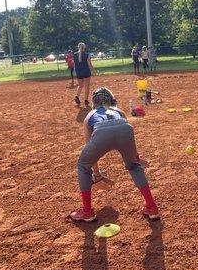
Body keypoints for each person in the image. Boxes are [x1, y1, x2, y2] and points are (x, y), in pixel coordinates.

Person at [69, 87, 160, 222]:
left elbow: (89, 148)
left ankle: (87, 212)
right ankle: (152, 208)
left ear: (94, 102)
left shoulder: (90, 115)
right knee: (134, 167)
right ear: (112, 101)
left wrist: (97, 173)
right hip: (125, 129)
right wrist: (136, 159)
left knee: (83, 165)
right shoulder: (119, 111)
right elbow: (128, 134)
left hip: (100, 133)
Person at [74, 43, 95, 108]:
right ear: (84, 48)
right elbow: (89, 64)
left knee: (80, 85)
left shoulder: (74, 55)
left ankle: (77, 96)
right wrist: (93, 70)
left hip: (78, 72)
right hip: (86, 72)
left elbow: (75, 64)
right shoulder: (87, 55)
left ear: (78, 47)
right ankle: (86, 100)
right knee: (87, 87)